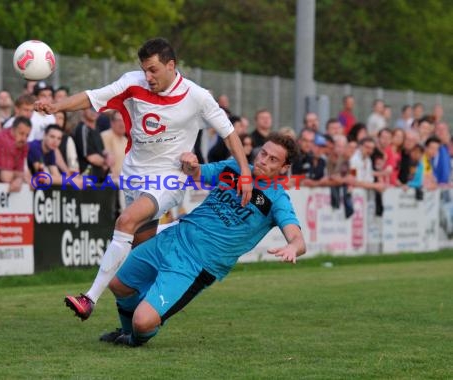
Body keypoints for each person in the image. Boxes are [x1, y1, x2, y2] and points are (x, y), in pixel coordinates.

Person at [34, 37, 252, 320]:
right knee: (140, 246)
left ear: (171, 65)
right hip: (134, 175)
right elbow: (92, 96)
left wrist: (245, 174)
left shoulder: (197, 96)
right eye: (144, 70)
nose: (148, 77)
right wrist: (56, 107)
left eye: (153, 70)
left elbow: (229, 134)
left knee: (125, 221)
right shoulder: (132, 82)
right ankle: (144, 307)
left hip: (169, 179)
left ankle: (89, 298)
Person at [99, 132, 305, 347]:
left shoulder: (278, 200)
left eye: (273, 159)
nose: (263, 160)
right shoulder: (234, 168)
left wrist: (292, 247)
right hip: (174, 237)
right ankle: (125, 330)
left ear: (284, 168)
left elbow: (299, 241)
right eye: (263, 153)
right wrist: (191, 163)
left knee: (142, 323)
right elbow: (196, 174)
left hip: (197, 265)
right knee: (118, 284)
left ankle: (134, 338)